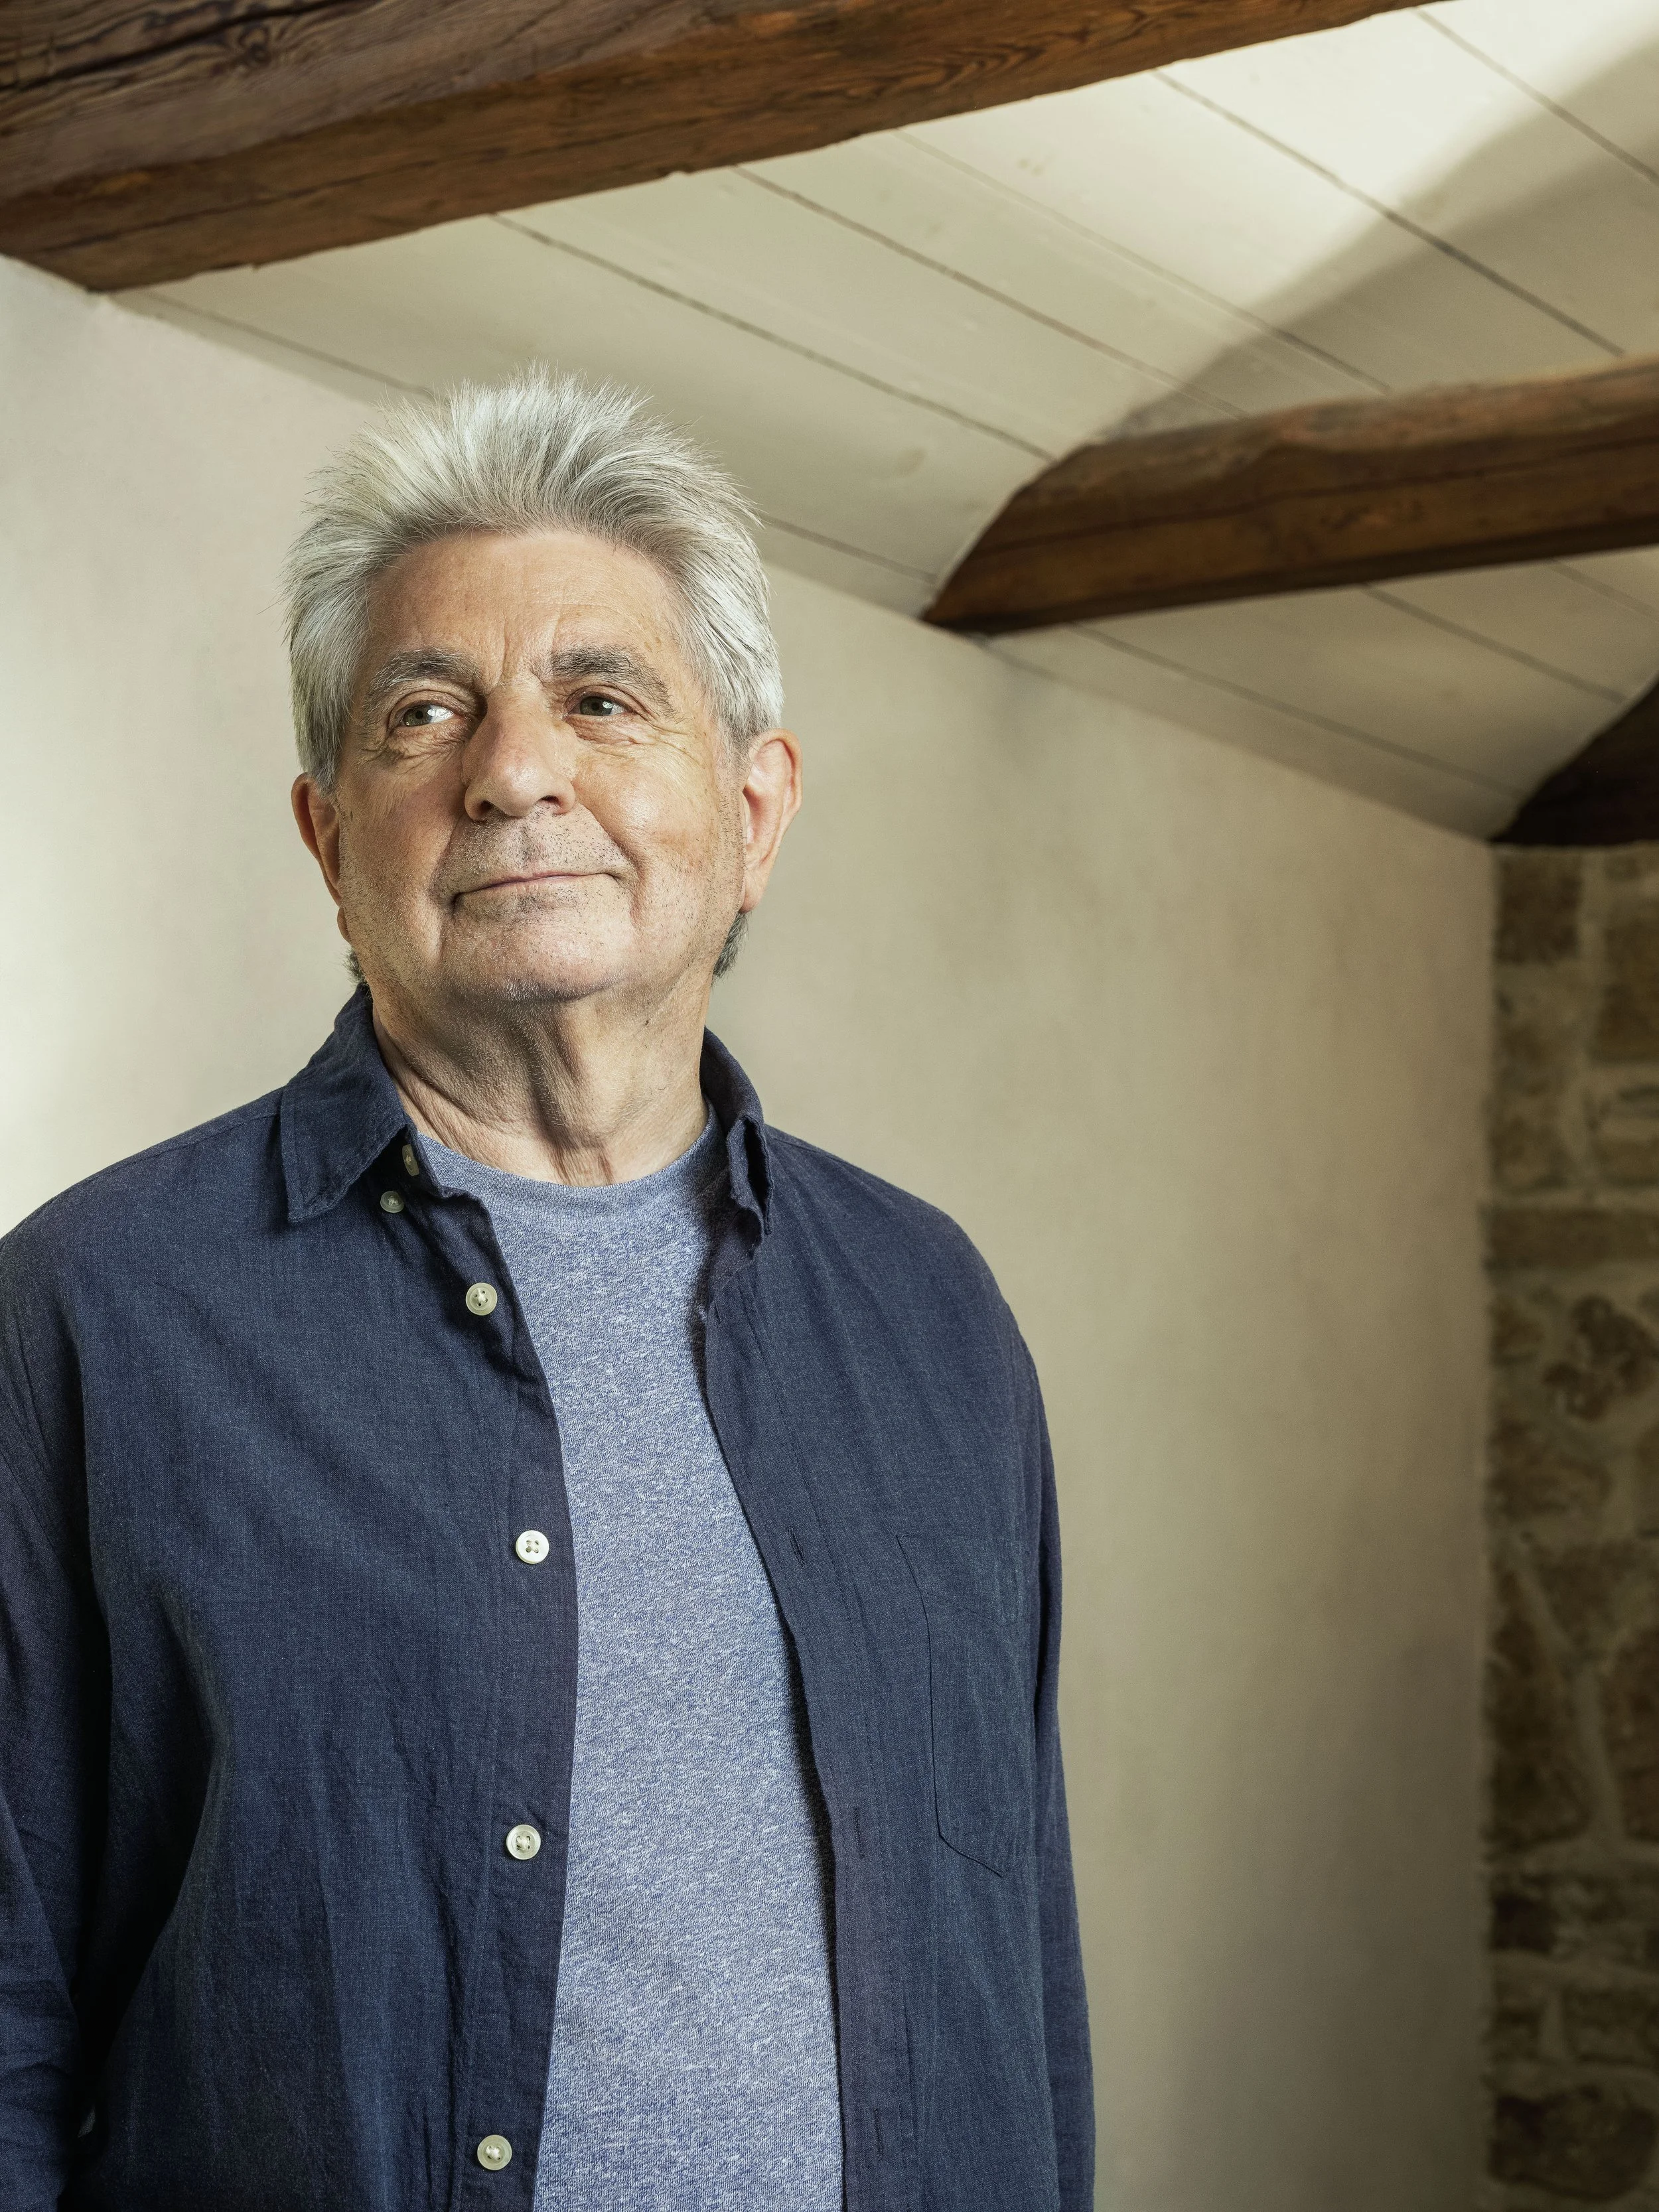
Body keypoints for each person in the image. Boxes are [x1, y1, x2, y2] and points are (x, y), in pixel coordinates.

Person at [0, 369, 1093, 2212]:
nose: (512, 769)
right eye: (424, 711)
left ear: (754, 808)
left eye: (604, 696)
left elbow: (1023, 1969)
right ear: (330, 834)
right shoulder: (93, 1315)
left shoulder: (932, 1311)